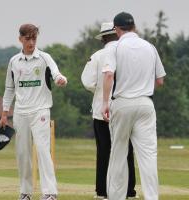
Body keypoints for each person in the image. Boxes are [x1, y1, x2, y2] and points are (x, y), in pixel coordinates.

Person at [101, 12, 166, 200]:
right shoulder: (149, 46)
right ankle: (152, 197)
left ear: (116, 29)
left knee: (119, 153)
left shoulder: (115, 47)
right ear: (134, 27)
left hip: (122, 103)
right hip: (146, 103)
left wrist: (105, 103)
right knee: (148, 155)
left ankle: (116, 197)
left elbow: (108, 75)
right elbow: (160, 80)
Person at [0, 24, 67, 200]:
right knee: (22, 153)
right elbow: (9, 88)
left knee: (43, 150)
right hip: (21, 112)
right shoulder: (14, 61)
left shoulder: (44, 58)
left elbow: (56, 73)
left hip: (41, 110)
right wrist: (4, 112)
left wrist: (61, 79)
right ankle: (25, 192)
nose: (31, 42)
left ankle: (50, 193)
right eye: (27, 38)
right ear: (20, 39)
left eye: (34, 38)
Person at [81, 22, 137, 200]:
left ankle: (103, 192)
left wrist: (99, 90)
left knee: (104, 151)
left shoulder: (98, 55)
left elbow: (87, 82)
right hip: (126, 108)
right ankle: (129, 191)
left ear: (103, 38)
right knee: (126, 150)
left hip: (101, 110)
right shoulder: (129, 54)